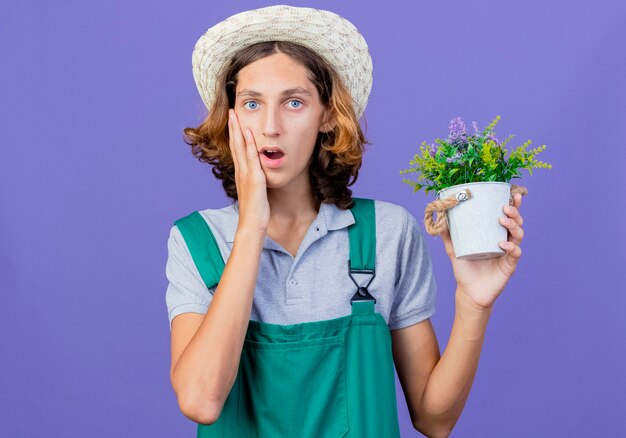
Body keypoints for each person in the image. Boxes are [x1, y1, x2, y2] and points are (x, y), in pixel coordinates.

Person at [165, 5, 526, 437]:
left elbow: (435, 419)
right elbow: (200, 401)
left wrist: (474, 304)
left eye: (294, 102)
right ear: (232, 118)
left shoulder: (387, 234)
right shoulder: (196, 241)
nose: (271, 126)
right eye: (252, 103)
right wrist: (251, 227)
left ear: (327, 117)